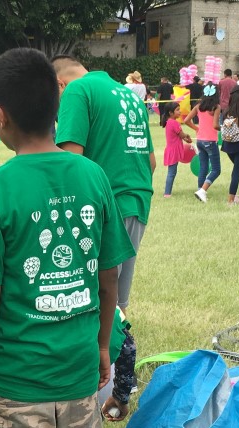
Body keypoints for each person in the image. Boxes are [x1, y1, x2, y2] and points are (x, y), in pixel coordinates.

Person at [0, 47, 135, 428]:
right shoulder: (92, 175)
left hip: (12, 384)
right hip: (79, 375)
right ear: (56, 106)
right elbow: (107, 275)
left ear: (0, 117)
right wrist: (101, 347)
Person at [52, 55, 155, 317]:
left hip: (102, 207)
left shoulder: (77, 90)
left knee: (93, 298)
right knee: (116, 301)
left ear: (59, 84)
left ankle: (107, 352)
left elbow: (71, 161)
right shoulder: (129, 95)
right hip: (137, 201)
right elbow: (151, 161)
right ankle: (119, 351)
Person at [184, 82, 221, 203]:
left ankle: (200, 190)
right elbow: (215, 125)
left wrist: (196, 129)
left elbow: (186, 120)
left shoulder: (198, 106)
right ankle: (202, 191)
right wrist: (225, 127)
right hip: (210, 142)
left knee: (203, 167)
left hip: (200, 141)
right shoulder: (216, 107)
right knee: (216, 169)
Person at [161, 102, 193, 198]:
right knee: (171, 173)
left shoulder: (169, 122)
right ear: (171, 113)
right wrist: (187, 137)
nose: (180, 111)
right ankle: (167, 193)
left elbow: (180, 136)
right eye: (177, 110)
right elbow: (182, 135)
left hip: (171, 150)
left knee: (172, 172)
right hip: (173, 151)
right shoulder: (174, 123)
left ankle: (167, 192)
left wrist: (186, 138)